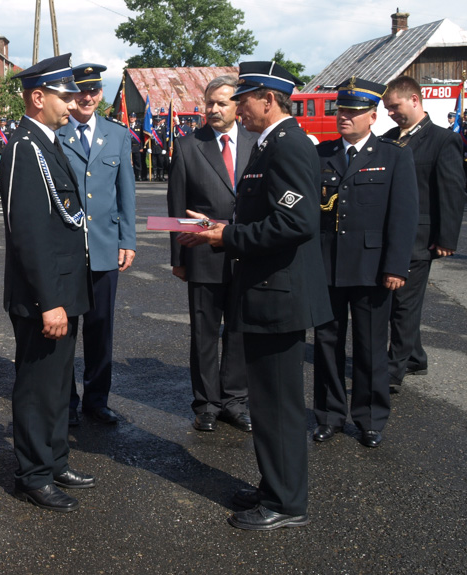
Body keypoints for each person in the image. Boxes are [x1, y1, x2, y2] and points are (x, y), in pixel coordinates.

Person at [176, 61, 332, 531]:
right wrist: (217, 229)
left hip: (280, 296)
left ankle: (286, 504)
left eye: (244, 99)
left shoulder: (289, 147)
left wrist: (228, 237)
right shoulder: (271, 146)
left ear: (268, 100)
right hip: (266, 292)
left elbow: (296, 222)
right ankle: (275, 485)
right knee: (267, 402)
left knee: (279, 406)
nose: (237, 108)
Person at [0, 54, 94, 512]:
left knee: (58, 383)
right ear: (38, 98)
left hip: (64, 288)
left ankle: (55, 459)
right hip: (45, 296)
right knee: (37, 387)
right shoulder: (23, 147)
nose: (73, 101)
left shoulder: (49, 141)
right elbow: (29, 233)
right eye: (65, 94)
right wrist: (49, 301)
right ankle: (33, 474)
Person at [313, 77, 419, 449]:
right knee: (327, 343)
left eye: (353, 112)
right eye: (341, 110)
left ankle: (370, 418)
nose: (344, 117)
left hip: (372, 268)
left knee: (371, 346)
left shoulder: (393, 156)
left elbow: (403, 217)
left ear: (372, 116)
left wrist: (396, 266)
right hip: (327, 265)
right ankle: (328, 415)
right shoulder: (322, 155)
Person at [167, 74, 255, 434]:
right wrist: (178, 258)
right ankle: (206, 403)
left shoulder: (256, 143)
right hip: (202, 254)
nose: (214, 109)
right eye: (210, 103)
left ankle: (235, 400)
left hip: (245, 250)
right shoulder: (190, 146)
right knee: (204, 332)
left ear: (238, 106)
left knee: (239, 329)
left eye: (222, 103)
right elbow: (177, 203)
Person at [56, 63, 136, 426]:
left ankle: (97, 399)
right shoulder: (56, 135)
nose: (87, 98)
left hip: (105, 246)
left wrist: (128, 240)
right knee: (66, 330)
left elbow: (126, 192)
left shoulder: (116, 134)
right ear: (71, 95)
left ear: (101, 94)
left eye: (94, 91)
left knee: (101, 327)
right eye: (80, 91)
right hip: (69, 247)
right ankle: (66, 402)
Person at [381, 76, 466, 392]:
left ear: (414, 100)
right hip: (391, 234)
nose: (390, 113)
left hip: (420, 236)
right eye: (387, 108)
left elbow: (452, 190)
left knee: (402, 304)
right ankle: (415, 356)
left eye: (395, 106)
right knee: (397, 302)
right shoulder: (390, 138)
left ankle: (393, 369)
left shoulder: (442, 140)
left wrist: (446, 238)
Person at [128, 111, 144, 181]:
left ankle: (138, 176)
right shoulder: (126, 126)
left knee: (137, 162)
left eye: (133, 117)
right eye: (131, 117)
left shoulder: (139, 126)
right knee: (129, 163)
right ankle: (131, 176)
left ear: (135, 118)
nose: (132, 118)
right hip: (129, 147)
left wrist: (141, 147)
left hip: (137, 147)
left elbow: (141, 137)